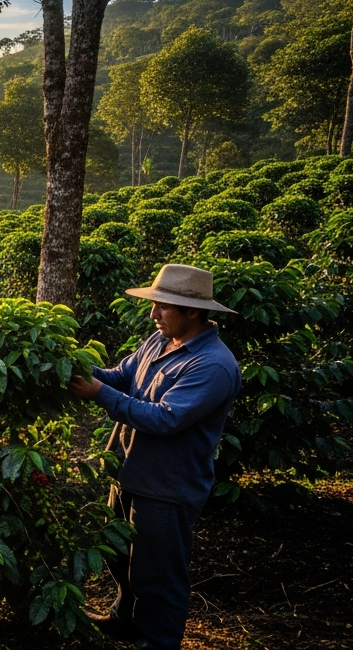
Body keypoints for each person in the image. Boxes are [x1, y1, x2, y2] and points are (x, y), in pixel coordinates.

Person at [69, 264, 242, 650]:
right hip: (129, 471)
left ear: (192, 310)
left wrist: (98, 393)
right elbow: (121, 376)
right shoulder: (158, 341)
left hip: (166, 485)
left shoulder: (212, 364)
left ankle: (157, 640)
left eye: (162, 307)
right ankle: (125, 619)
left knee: (158, 574)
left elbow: (166, 419)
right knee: (120, 557)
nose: (153, 315)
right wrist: (76, 367)